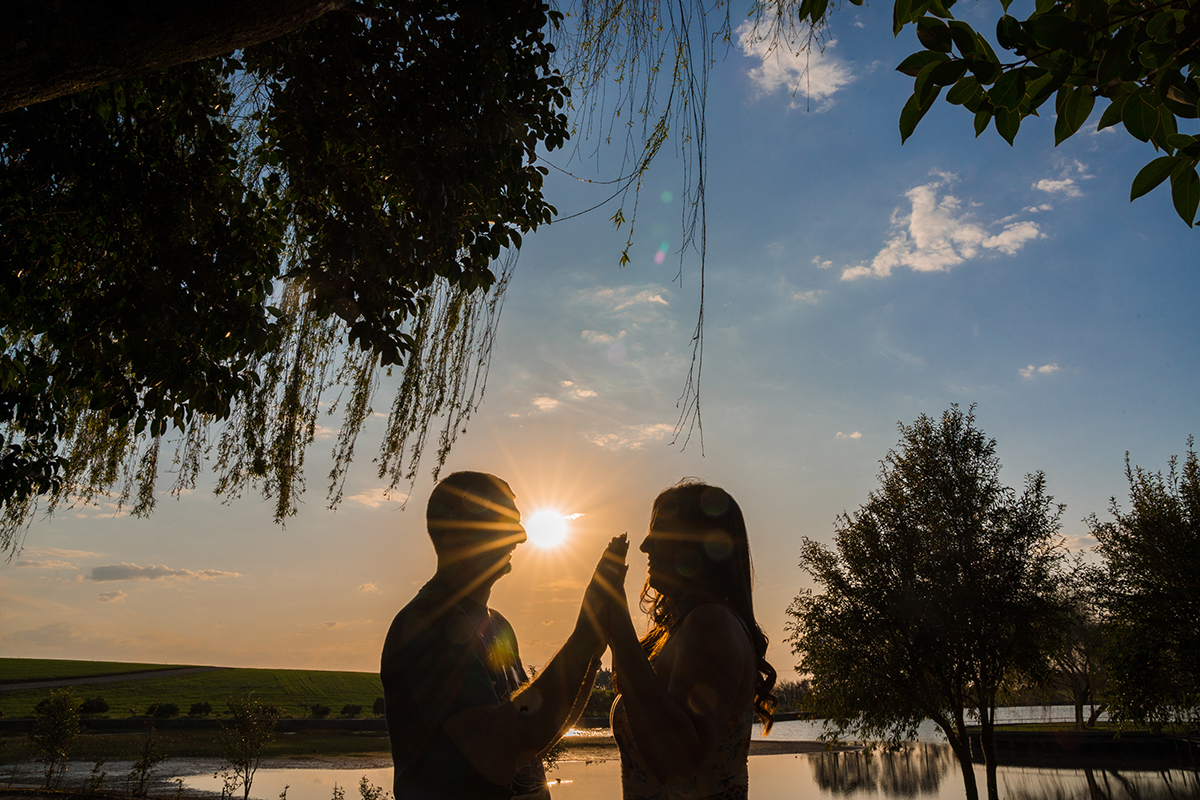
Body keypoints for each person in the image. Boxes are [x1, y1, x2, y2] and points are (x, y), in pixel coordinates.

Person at [381, 471, 626, 800]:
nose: (522, 537)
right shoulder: (428, 625)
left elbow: (533, 734)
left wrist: (593, 645)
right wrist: (582, 638)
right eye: (505, 522)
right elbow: (496, 752)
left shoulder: (498, 626)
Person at [603, 480, 777, 800]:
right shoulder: (682, 630)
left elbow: (676, 765)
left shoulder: (713, 625)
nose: (644, 546)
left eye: (661, 532)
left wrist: (619, 629)